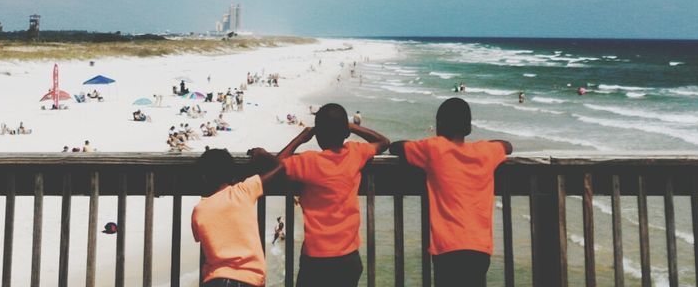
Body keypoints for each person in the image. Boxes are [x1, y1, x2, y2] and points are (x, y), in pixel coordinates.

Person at [250, 104, 389, 287]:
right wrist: (351, 127)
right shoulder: (355, 152)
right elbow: (384, 142)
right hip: (349, 257)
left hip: (316, 257)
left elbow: (277, 167)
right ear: (345, 133)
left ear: (318, 135)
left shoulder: (309, 161)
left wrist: (300, 138)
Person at [390, 98, 513, 287]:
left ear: (440, 125)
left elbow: (397, 147)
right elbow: (507, 146)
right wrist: (484, 144)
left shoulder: (434, 148)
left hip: (447, 247)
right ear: (469, 127)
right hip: (480, 247)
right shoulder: (485, 151)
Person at [191, 148, 283, 286]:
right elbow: (280, 166)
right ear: (232, 176)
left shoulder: (199, 210)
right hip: (248, 279)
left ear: (203, 177)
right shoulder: (243, 191)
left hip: (214, 279)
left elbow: (200, 238)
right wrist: (263, 154)